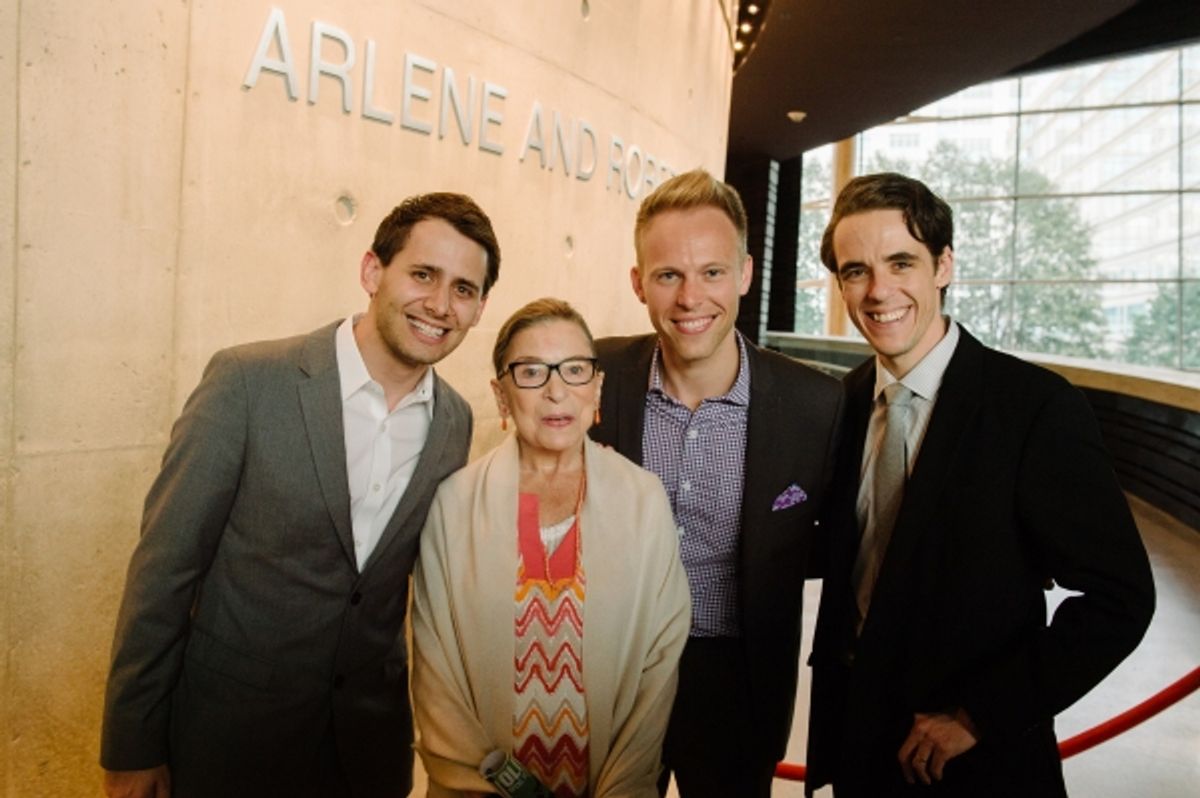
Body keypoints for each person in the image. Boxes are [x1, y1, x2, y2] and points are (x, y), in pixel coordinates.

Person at [100, 193, 501, 798]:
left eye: (464, 290)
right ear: (372, 271)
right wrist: (132, 744)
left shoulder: (455, 421)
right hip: (228, 745)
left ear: (479, 308)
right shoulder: (248, 383)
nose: (440, 305)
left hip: (368, 753)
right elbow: (164, 571)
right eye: (423, 274)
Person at [805, 172, 1156, 796]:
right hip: (859, 751)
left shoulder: (1034, 408)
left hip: (977, 765)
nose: (879, 291)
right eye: (856, 270)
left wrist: (979, 715)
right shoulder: (843, 403)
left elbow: (1120, 599)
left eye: (901, 262)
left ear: (943, 265)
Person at [590, 169, 844, 797]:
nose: (690, 297)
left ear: (746, 274)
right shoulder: (593, 375)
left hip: (740, 682)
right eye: (668, 274)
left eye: (711, 272)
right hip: (613, 671)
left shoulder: (816, 404)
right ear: (638, 283)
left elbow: (839, 546)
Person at [411, 297, 691, 798]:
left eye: (575, 370)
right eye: (532, 372)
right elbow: (435, 673)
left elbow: (659, 663)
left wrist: (622, 787)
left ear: (597, 387)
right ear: (501, 396)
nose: (557, 391)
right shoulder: (455, 504)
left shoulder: (643, 500)